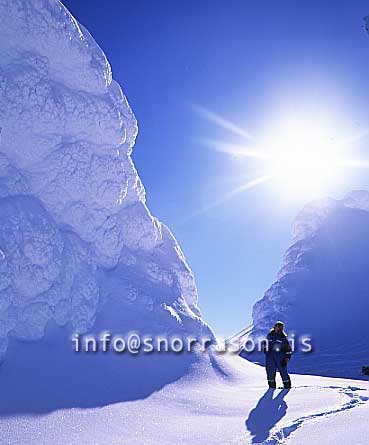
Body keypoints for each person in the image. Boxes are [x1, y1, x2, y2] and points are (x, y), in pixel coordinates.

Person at [264, 321, 292, 389]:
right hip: (270, 357)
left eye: (281, 327)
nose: (279, 328)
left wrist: (287, 358)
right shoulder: (269, 335)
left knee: (283, 372)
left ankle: (287, 387)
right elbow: (265, 344)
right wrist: (266, 350)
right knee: (270, 372)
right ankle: (271, 388)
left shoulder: (283, 337)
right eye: (278, 326)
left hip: (280, 357)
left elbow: (288, 349)